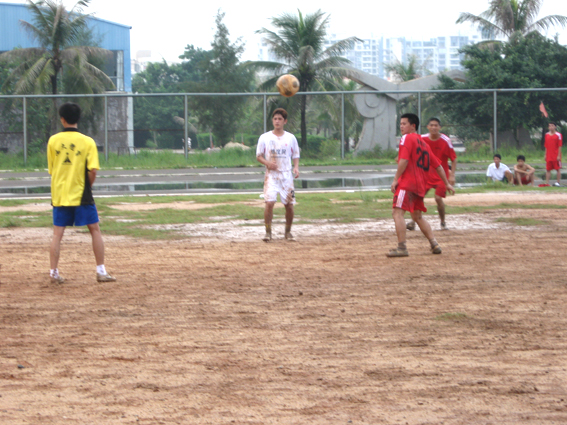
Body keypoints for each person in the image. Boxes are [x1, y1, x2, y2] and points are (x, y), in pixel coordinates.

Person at [47, 103, 116, 284]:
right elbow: (93, 170)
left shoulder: (53, 141)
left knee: (57, 234)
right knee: (95, 230)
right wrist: (88, 186)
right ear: (78, 119)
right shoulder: (88, 142)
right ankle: (101, 271)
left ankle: (53, 273)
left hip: (60, 194)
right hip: (81, 193)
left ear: (62, 119)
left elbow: (52, 170)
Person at [387, 113, 455, 257]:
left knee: (397, 212)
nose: (401, 126)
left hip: (407, 183)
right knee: (417, 216)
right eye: (400, 124)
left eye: (404, 124)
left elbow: (404, 160)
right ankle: (434, 244)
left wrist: (396, 179)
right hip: (420, 186)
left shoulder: (406, 138)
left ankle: (402, 248)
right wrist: (447, 183)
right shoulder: (424, 143)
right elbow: (438, 166)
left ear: (413, 126)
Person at [256, 108, 300, 242]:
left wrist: (296, 167)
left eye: (280, 119)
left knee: (289, 205)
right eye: (275, 119)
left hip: (286, 176)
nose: (277, 121)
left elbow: (295, 154)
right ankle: (268, 232)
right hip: (271, 176)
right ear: (272, 121)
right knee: (269, 203)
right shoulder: (265, 137)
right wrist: (268, 163)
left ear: (285, 121)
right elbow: (259, 156)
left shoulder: (290, 138)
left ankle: (288, 232)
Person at [406, 117, 457, 231]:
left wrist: (452, 175)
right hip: (425, 175)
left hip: (441, 175)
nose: (434, 127)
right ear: (428, 127)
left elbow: (453, 159)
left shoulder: (445, 141)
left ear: (439, 127)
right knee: (418, 198)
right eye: (431, 125)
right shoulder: (422, 139)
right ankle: (414, 221)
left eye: (436, 125)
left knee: (438, 198)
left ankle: (443, 222)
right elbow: (412, 149)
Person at [544, 122, 562, 186]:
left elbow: (560, 146)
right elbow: (546, 146)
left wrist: (558, 155)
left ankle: (558, 182)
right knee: (548, 169)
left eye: (552, 125)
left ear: (555, 127)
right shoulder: (546, 135)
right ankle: (547, 183)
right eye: (549, 126)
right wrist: (545, 154)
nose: (551, 127)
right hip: (549, 155)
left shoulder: (558, 135)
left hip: (556, 155)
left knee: (557, 169)